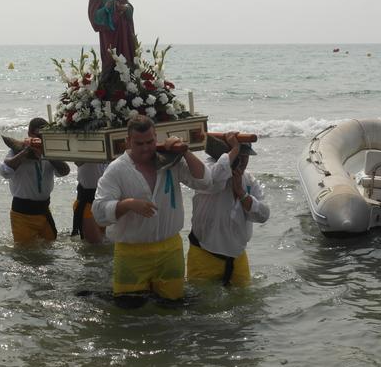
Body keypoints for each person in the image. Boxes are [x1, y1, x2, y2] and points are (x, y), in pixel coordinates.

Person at [93, 115, 211, 302]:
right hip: (132, 253)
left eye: (150, 141)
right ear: (127, 142)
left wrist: (185, 151)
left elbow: (204, 181)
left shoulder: (170, 161)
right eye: (139, 144)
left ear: (156, 137)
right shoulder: (117, 169)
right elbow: (99, 212)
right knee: (130, 309)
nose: (146, 148)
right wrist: (128, 204)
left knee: (173, 306)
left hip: (170, 250)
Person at [188, 132, 270, 288]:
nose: (242, 161)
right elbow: (214, 180)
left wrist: (242, 193)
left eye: (246, 156)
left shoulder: (248, 180)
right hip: (205, 254)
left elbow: (264, 215)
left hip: (237, 256)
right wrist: (234, 149)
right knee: (201, 307)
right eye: (239, 155)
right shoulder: (208, 169)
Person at [0, 118, 70, 244]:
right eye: (37, 135)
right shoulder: (16, 151)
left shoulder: (50, 152)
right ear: (30, 134)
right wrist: (26, 152)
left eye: (44, 135)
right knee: (25, 254)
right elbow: (5, 171)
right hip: (22, 214)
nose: (40, 138)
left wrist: (46, 154)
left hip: (44, 211)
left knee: (50, 248)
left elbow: (64, 171)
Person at [88, 0, 137, 88]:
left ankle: (128, 84)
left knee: (125, 58)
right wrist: (105, 9)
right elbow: (93, 14)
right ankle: (110, 86)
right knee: (111, 59)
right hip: (109, 31)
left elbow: (128, 5)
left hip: (122, 30)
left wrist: (126, 8)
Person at [72, 162, 108, 244]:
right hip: (87, 202)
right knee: (95, 244)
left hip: (108, 200)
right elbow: (77, 161)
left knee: (108, 242)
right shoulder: (87, 151)